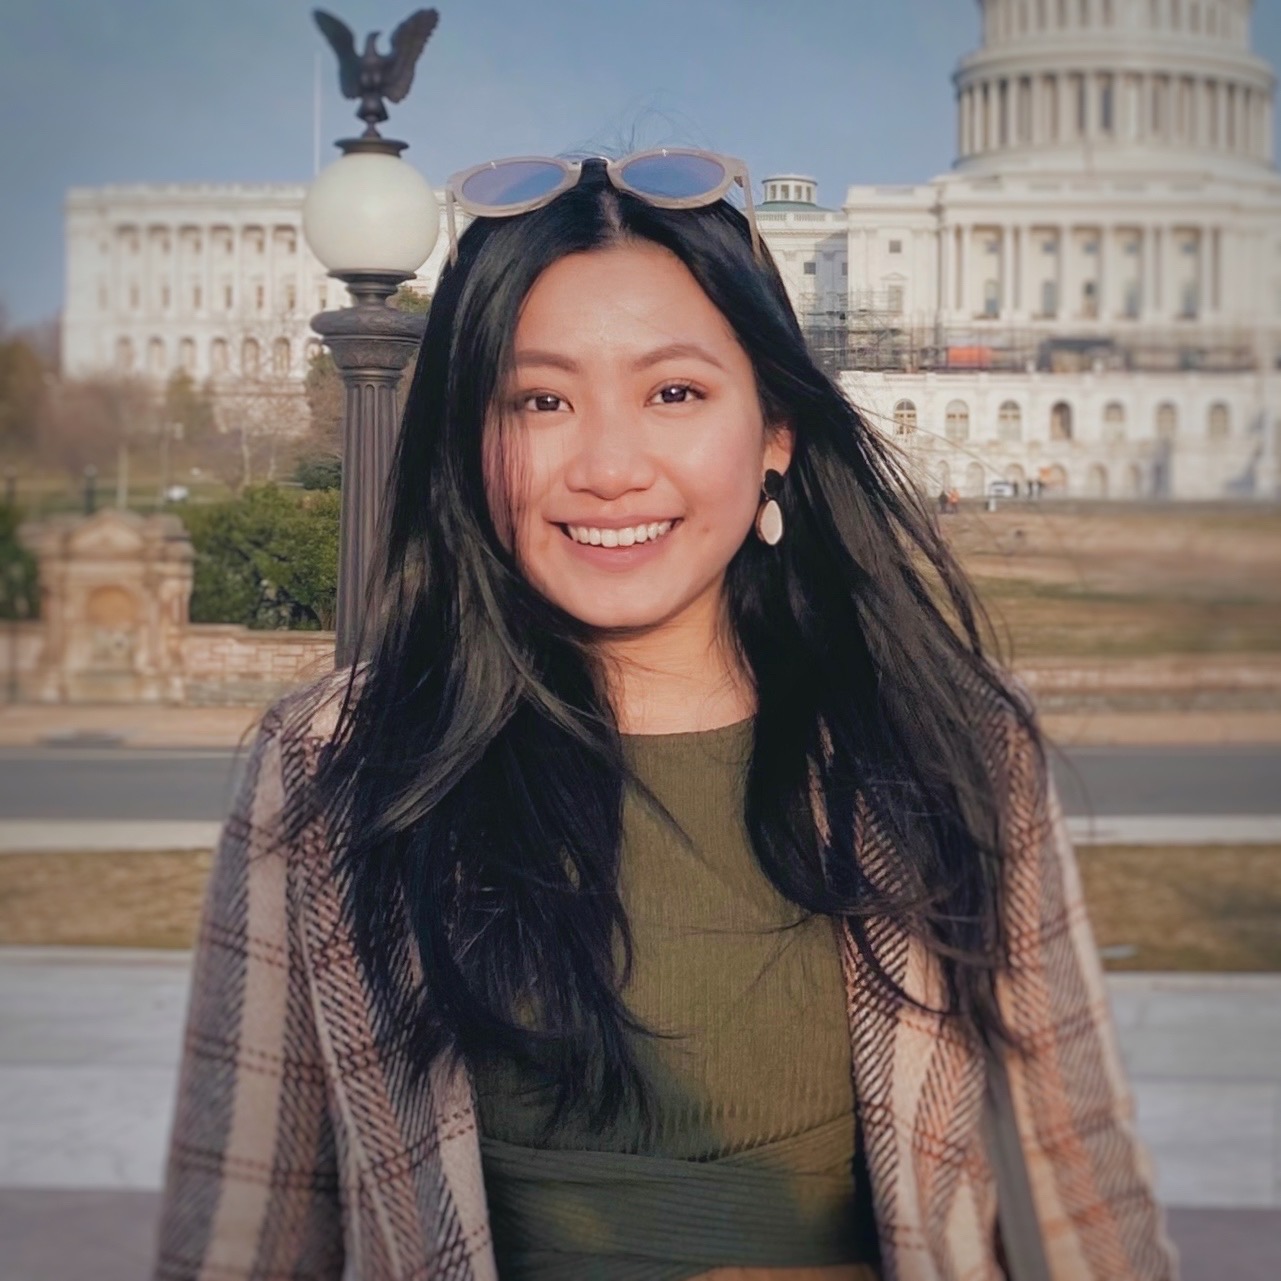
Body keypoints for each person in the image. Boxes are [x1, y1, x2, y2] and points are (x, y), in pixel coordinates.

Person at [153, 151, 1174, 1281]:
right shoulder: (331, 768)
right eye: (540, 401)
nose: (607, 466)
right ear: (467, 439)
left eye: (674, 393)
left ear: (775, 427)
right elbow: (244, 1230)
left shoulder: (947, 747)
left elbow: (1079, 1190)